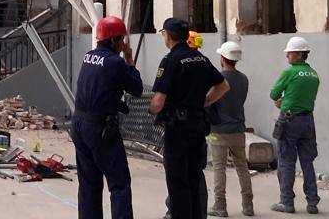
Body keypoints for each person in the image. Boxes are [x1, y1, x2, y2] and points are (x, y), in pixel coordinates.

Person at [150, 18, 230, 219]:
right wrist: (202, 102)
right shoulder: (201, 59)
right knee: (195, 177)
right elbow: (223, 86)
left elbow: (158, 102)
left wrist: (152, 111)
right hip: (198, 126)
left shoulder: (170, 61)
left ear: (167, 35)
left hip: (177, 129)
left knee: (178, 182)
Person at [71, 15, 143, 219]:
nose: (123, 45)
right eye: (121, 40)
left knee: (89, 184)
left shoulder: (88, 57)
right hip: (99, 128)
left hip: (78, 125)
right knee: (119, 184)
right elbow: (136, 88)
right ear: (113, 40)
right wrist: (129, 60)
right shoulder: (115, 63)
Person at [269, 36, 321, 214]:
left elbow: (274, 93)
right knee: (308, 162)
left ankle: (286, 202)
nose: (287, 56)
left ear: (299, 54)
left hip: (290, 120)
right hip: (307, 121)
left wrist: (282, 102)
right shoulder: (314, 74)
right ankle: (312, 202)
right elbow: (301, 95)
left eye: (290, 53)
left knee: (286, 161)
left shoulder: (289, 72)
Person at [207, 41, 254, 218]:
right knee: (242, 167)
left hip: (219, 130)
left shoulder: (217, 80)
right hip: (238, 129)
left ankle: (220, 205)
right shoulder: (244, 79)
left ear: (222, 58)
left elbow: (209, 101)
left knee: (219, 168)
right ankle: (248, 205)